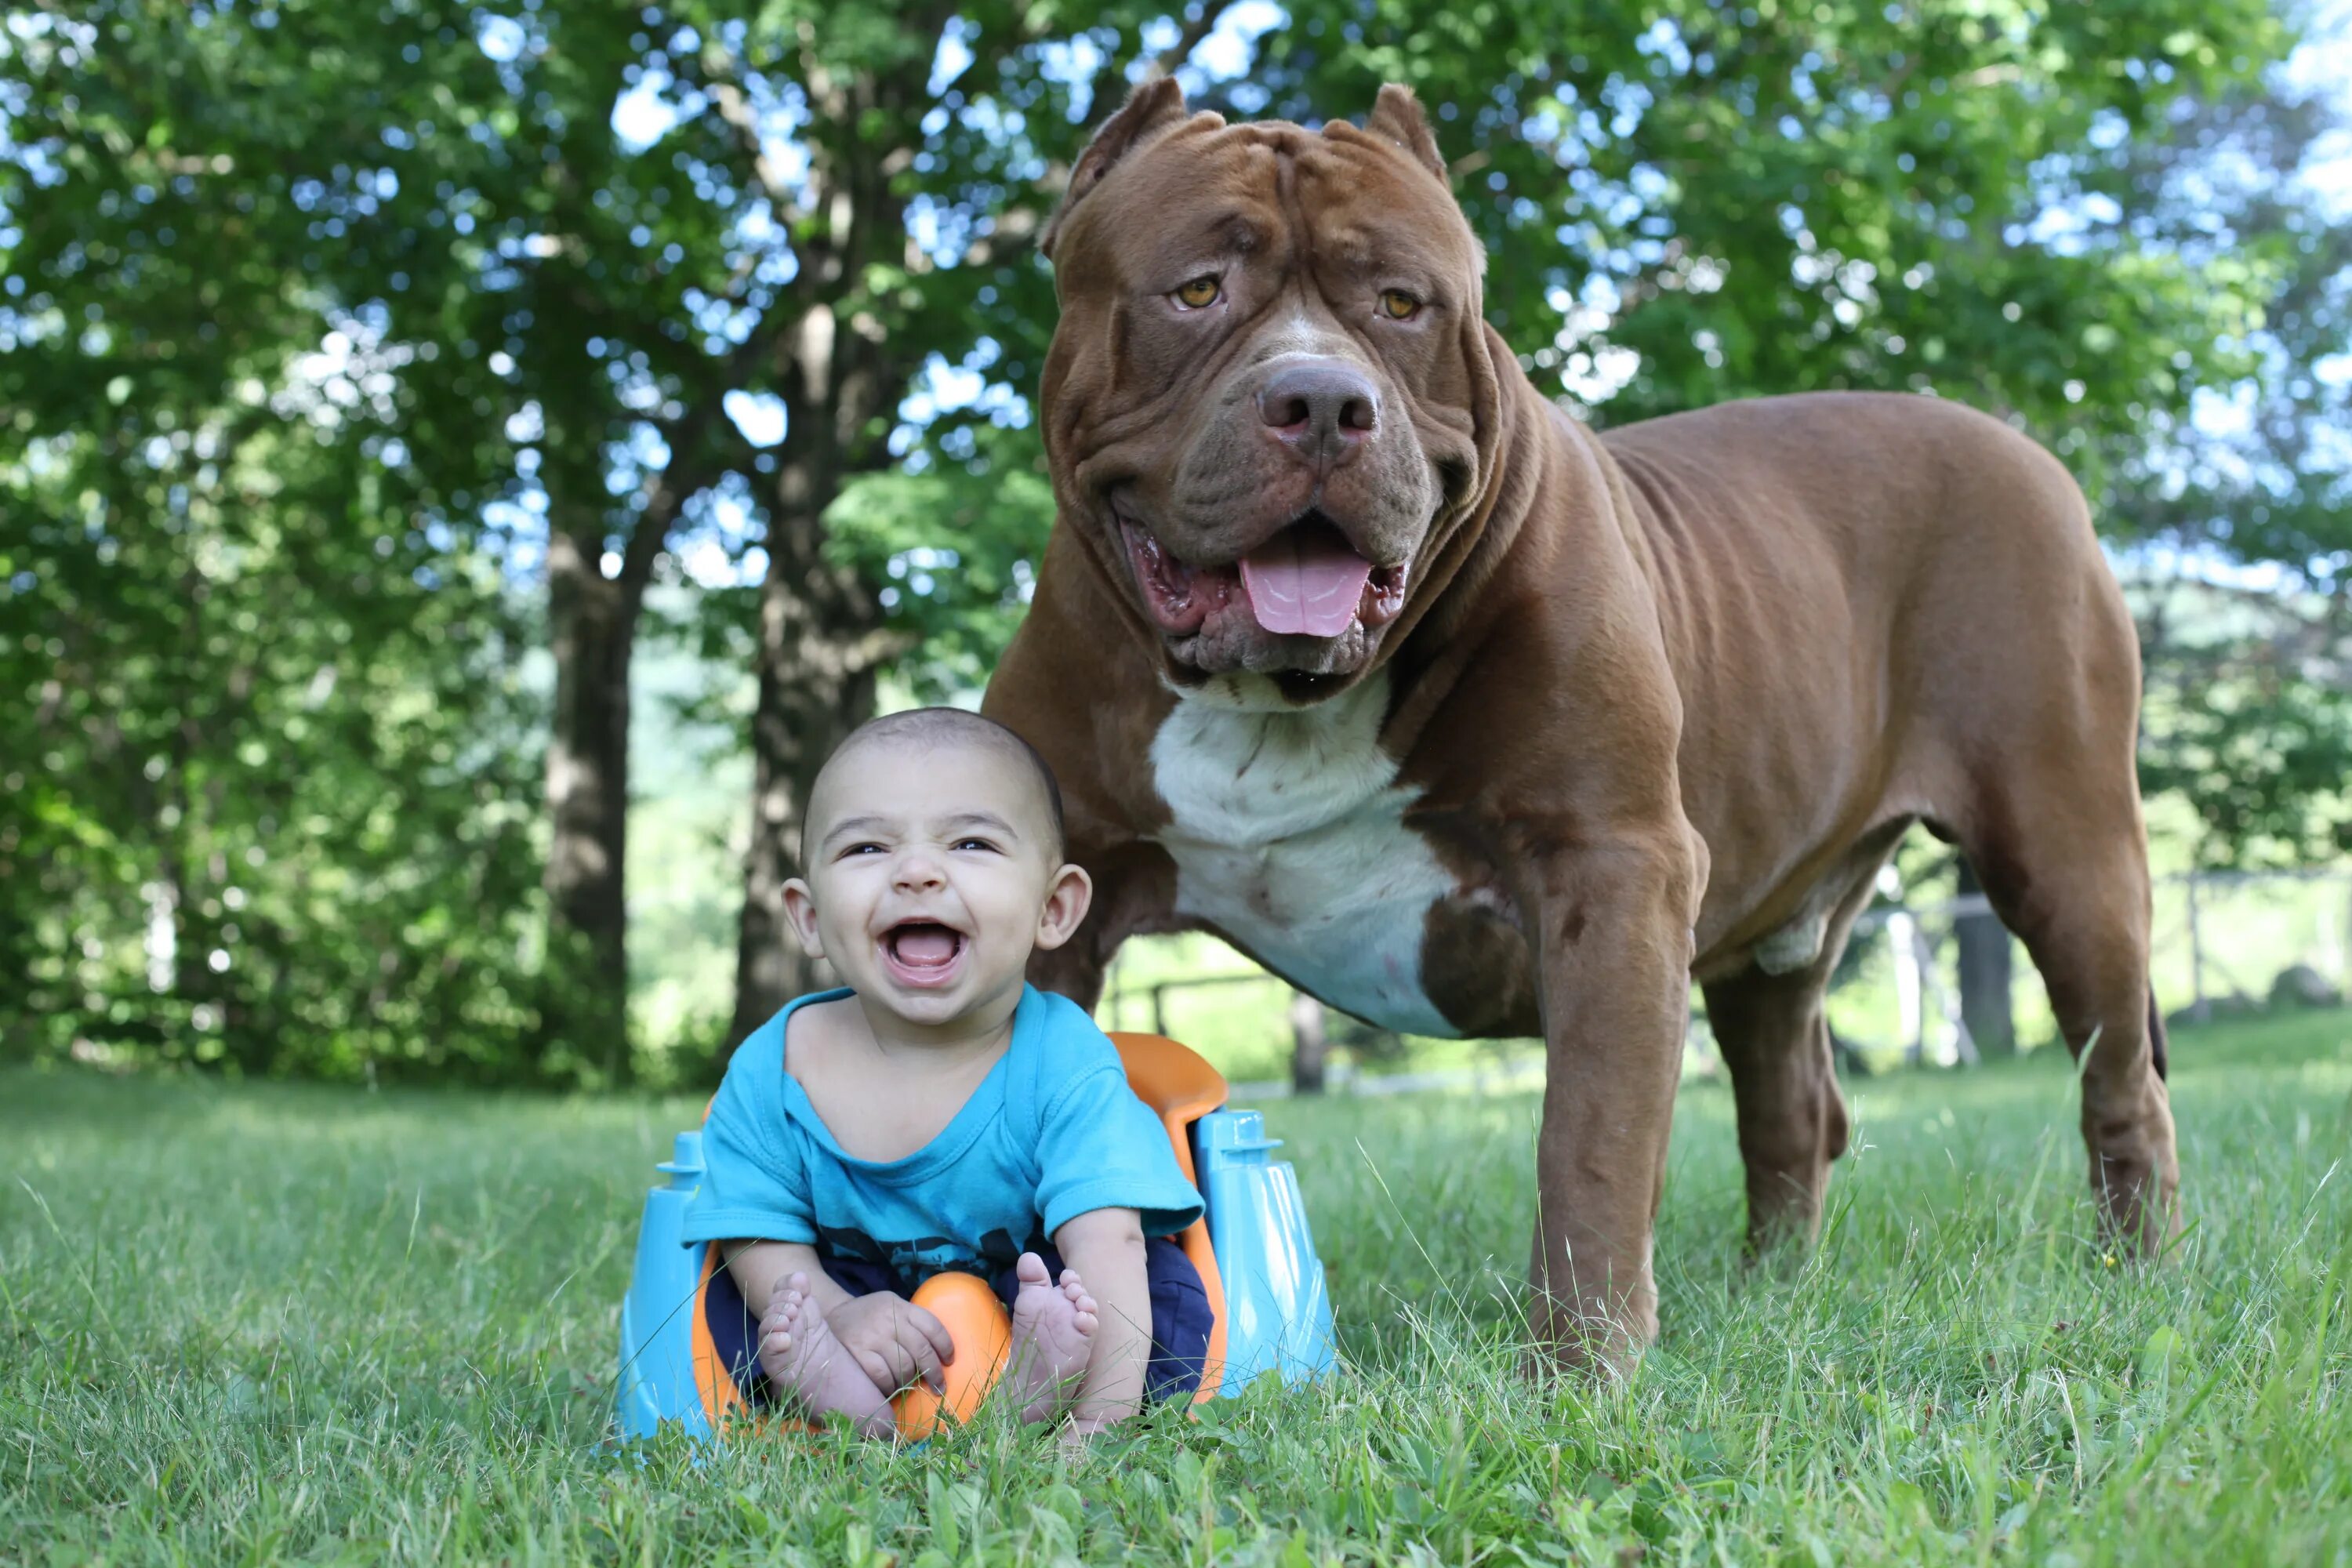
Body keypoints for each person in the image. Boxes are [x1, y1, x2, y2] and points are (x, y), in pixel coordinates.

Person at [681, 708, 1210, 1439]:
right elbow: (753, 1231)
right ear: (807, 917)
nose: (918, 872)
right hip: (852, 1300)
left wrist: (1100, 1425)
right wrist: (834, 1314)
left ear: (1053, 908)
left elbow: (1106, 1243)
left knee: (1160, 1291)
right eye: (867, 846)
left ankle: (1050, 1392)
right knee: (744, 1305)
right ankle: (839, 1396)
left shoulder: (1064, 1060)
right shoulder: (775, 1069)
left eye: (971, 842)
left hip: (1040, 1296)